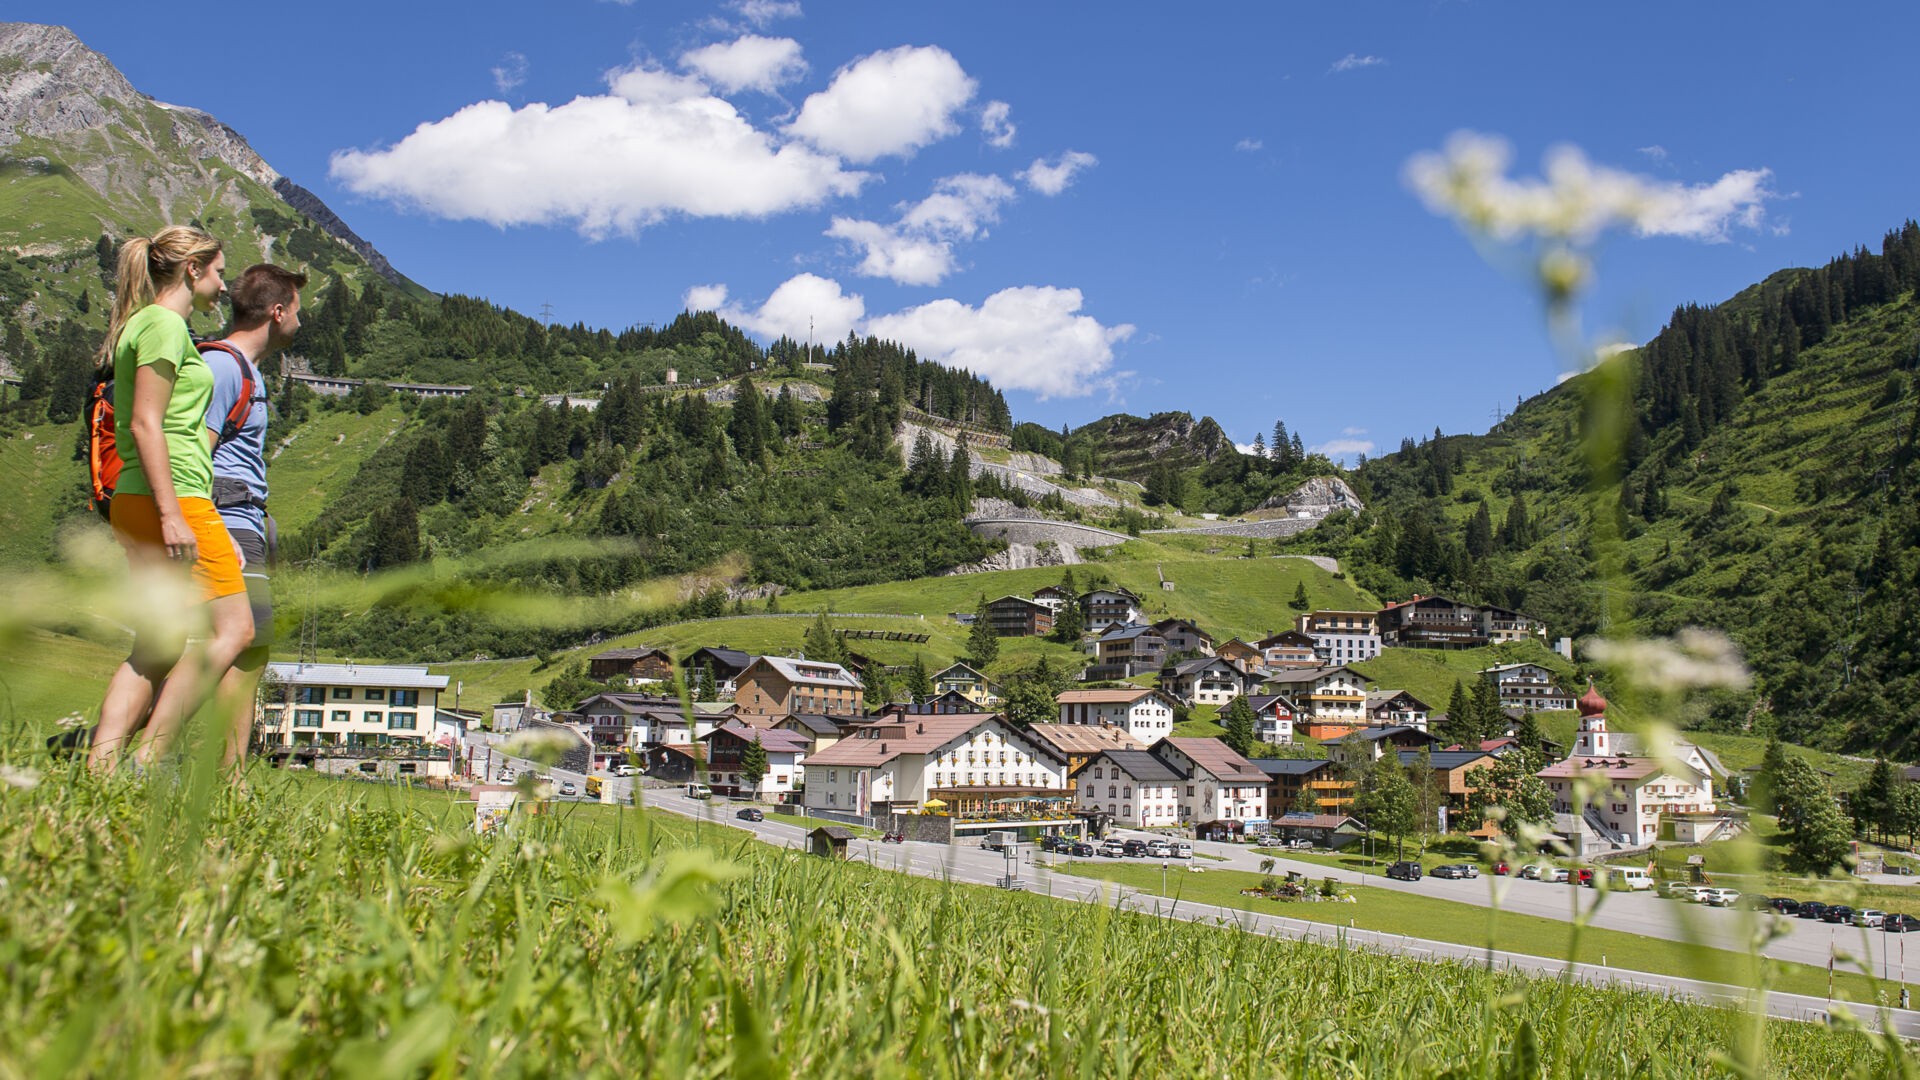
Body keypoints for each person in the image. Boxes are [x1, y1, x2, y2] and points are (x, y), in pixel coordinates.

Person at [89, 226, 255, 773]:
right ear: (192, 270)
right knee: (235, 630)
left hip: (142, 498)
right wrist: (175, 516)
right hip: (171, 499)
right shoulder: (163, 326)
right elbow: (146, 423)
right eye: (219, 271)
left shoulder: (144, 324)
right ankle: (148, 757)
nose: (223, 284)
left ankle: (101, 769)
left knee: (157, 646)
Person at [201, 263, 306, 773]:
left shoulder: (243, 369)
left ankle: (229, 775)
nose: (300, 325)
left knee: (249, 652)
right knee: (241, 645)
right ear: (277, 311)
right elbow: (198, 453)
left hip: (239, 517)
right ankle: (139, 744)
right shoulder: (226, 368)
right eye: (297, 312)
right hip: (228, 518)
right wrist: (208, 527)